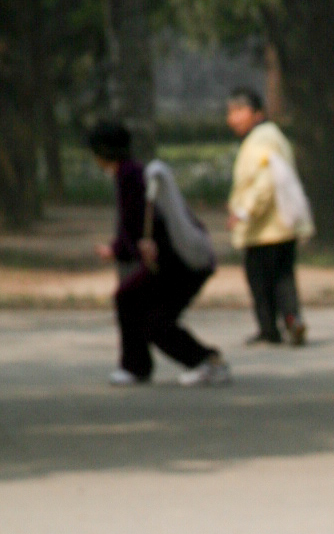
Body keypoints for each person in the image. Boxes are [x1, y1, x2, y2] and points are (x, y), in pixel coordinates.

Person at [90, 122, 229, 388]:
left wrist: (119, 250)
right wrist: (121, 249)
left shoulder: (130, 176)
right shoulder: (135, 172)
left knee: (155, 320)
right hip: (173, 260)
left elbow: (135, 222)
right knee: (129, 297)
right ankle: (135, 366)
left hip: (179, 264)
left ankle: (207, 362)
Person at [226, 86, 311, 346]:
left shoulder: (261, 139)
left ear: (257, 113)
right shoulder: (270, 136)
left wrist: (244, 212)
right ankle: (291, 319)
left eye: (240, 111)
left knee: (261, 280)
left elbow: (265, 182)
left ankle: (268, 329)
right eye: (231, 112)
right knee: (283, 277)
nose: (233, 118)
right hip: (281, 225)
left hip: (265, 227)